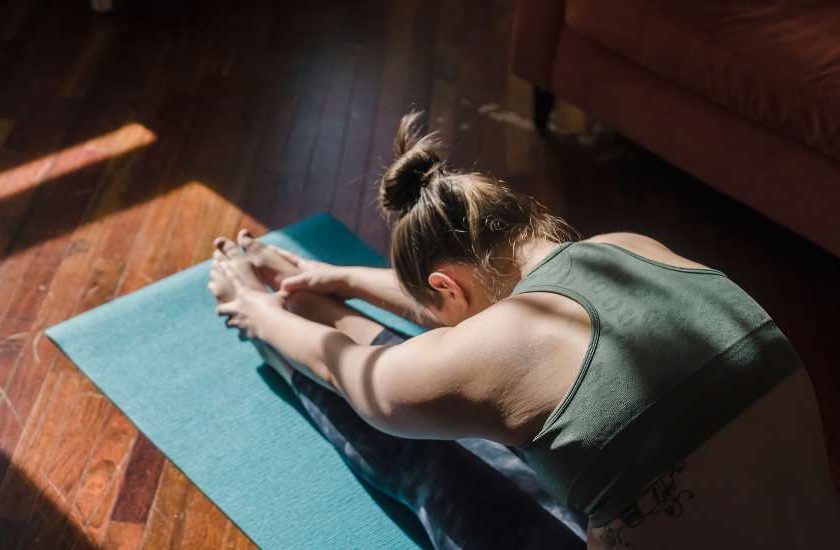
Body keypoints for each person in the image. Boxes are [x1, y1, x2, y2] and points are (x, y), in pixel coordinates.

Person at [208, 112, 838, 549]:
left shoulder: (511, 344)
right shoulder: (630, 249)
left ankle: (292, 318)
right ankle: (310, 303)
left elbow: (365, 382)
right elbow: (478, 313)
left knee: (434, 454)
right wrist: (341, 277)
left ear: (446, 287)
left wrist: (255, 309)